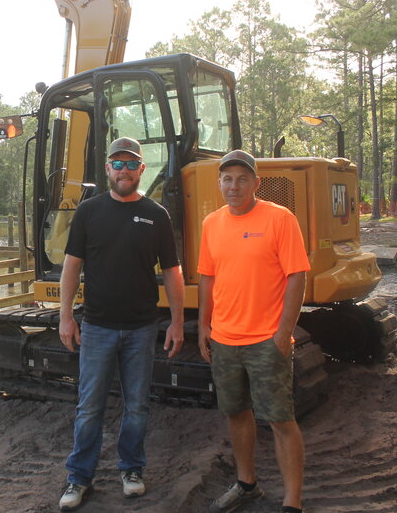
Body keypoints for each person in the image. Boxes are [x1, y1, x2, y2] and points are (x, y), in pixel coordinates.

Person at [57, 136, 185, 511]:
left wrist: (177, 322)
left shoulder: (157, 215)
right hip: (96, 326)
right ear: (108, 168)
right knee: (89, 407)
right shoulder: (89, 212)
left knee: (137, 406)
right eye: (118, 163)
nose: (124, 170)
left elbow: (173, 273)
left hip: (142, 327)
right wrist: (66, 316)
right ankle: (79, 478)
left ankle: (131, 469)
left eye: (131, 164)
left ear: (141, 170)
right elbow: (71, 267)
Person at [197, 150, 310, 513]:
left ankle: (292, 502)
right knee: (236, 413)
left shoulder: (280, 218)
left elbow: (297, 275)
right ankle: (247, 484)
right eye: (227, 179)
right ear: (219, 184)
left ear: (256, 183)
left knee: (280, 419)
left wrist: (283, 333)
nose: (234, 186)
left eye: (242, 179)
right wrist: (203, 325)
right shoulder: (211, 223)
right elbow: (207, 277)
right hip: (224, 340)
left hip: (266, 341)